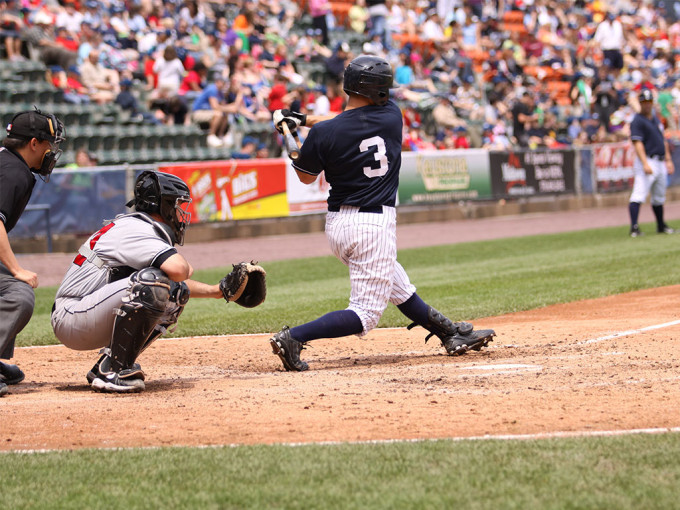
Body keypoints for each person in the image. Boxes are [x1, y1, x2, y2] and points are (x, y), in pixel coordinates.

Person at [269, 55, 495, 372]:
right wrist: (304, 120)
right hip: (372, 225)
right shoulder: (391, 116)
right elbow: (345, 121)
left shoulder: (325, 134)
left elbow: (308, 172)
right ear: (374, 89)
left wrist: (294, 136)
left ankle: (449, 334)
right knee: (365, 314)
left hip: (339, 226)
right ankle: (293, 337)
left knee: (398, 286)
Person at [51, 171, 252, 393]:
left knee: (174, 294)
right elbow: (179, 269)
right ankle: (115, 372)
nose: (180, 213)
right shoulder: (137, 229)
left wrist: (218, 291)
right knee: (151, 283)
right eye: (177, 205)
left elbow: (174, 282)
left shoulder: (136, 226)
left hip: (85, 312)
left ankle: (109, 363)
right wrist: (184, 270)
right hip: (72, 316)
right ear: (163, 205)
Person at [0, 109, 65, 396]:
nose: (52, 151)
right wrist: (16, 269)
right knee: (18, 293)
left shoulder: (7, 161)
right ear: (34, 143)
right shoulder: (14, 172)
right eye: (49, 143)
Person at [628, 89, 676, 237]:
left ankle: (661, 226)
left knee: (659, 196)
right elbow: (638, 143)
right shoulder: (637, 120)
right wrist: (644, 163)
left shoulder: (654, 119)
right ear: (640, 103)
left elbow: (663, 140)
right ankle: (634, 227)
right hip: (648, 160)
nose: (647, 105)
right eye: (644, 102)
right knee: (639, 193)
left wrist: (668, 160)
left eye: (649, 102)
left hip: (660, 161)